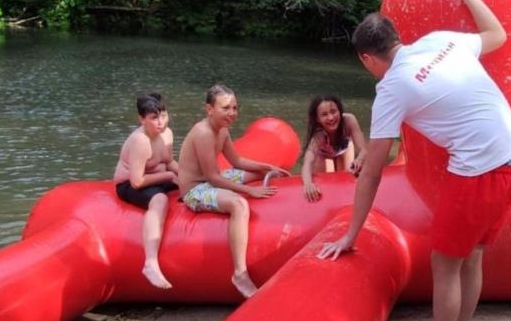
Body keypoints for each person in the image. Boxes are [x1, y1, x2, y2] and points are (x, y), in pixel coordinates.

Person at [317, 0, 511, 321]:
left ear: (366, 58)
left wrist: (351, 233)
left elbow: (372, 172)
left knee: (445, 263)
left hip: (479, 172)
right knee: (474, 255)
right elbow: (498, 36)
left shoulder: (392, 87)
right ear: (397, 37)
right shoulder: (441, 40)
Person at [178, 83, 290, 298]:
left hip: (213, 179)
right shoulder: (203, 133)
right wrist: (249, 192)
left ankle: (263, 175)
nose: (232, 113)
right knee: (239, 205)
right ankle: (240, 272)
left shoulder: (223, 131)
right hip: (195, 190)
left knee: (261, 175)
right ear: (209, 109)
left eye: (235, 108)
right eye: (225, 108)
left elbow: (236, 160)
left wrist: (266, 167)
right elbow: (212, 177)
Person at [112, 93, 179, 290]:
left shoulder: (167, 134)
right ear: (142, 119)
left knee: (189, 182)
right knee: (159, 200)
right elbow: (137, 181)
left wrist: (186, 176)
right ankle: (150, 263)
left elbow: (169, 162)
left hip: (157, 176)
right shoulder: (140, 140)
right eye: (154, 117)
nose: (160, 122)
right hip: (129, 185)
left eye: (164, 115)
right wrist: (168, 177)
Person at [300, 95, 368, 202]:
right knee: (325, 184)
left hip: (343, 149)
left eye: (333, 111)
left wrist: (359, 160)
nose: (331, 118)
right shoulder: (318, 135)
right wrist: (308, 184)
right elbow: (307, 162)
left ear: (340, 111)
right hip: (323, 154)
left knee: (347, 180)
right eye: (324, 114)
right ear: (317, 119)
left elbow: (364, 150)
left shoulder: (349, 121)